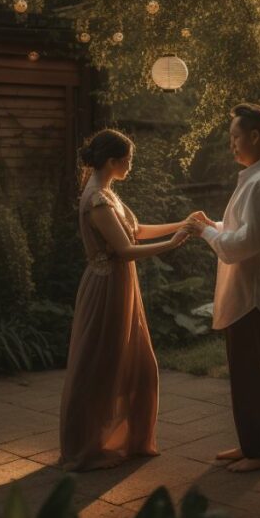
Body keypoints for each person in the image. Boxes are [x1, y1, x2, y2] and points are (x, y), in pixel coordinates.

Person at [59, 128, 198, 471]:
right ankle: (86, 445)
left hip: (121, 285)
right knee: (98, 364)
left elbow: (135, 231)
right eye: (128, 160)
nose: (131, 166)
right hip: (106, 288)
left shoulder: (108, 193)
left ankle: (130, 439)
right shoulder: (96, 199)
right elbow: (125, 250)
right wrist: (174, 243)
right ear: (112, 161)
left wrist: (183, 223)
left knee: (137, 363)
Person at [187, 103, 260, 473]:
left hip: (252, 295)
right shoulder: (253, 179)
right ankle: (250, 446)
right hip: (242, 293)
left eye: (235, 137)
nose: (231, 144)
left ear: (255, 136)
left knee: (251, 375)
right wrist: (211, 223)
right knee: (243, 373)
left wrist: (206, 232)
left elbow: (245, 244)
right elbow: (242, 229)